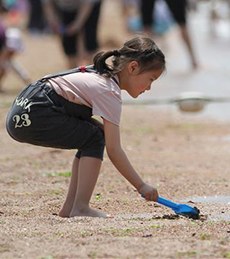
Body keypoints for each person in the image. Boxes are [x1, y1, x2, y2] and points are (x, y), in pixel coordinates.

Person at [5, 36, 164, 218]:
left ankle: (70, 208)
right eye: (150, 79)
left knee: (94, 134)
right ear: (133, 67)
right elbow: (114, 150)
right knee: (94, 138)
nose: (149, 88)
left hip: (21, 109)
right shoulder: (109, 91)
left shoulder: (99, 74)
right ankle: (80, 207)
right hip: (36, 112)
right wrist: (141, 185)